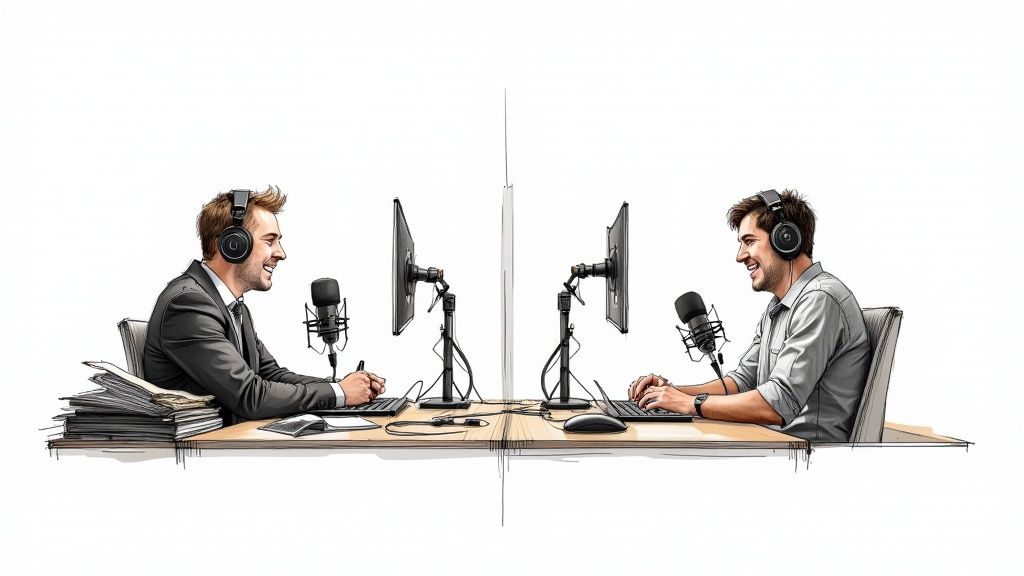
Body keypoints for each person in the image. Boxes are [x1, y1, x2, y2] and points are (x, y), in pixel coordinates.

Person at [629, 190, 870, 442]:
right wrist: (670, 394)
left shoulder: (820, 300)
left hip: (804, 455)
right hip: (773, 443)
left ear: (785, 239)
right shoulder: (780, 307)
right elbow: (742, 382)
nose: (740, 256)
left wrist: (691, 403)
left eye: (749, 241)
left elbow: (778, 403)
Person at [143, 186, 384, 424]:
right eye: (270, 241)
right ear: (232, 244)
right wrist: (339, 394)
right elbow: (250, 396)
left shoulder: (234, 308)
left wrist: (344, 386)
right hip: (202, 452)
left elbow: (271, 375)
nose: (281, 253)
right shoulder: (188, 306)